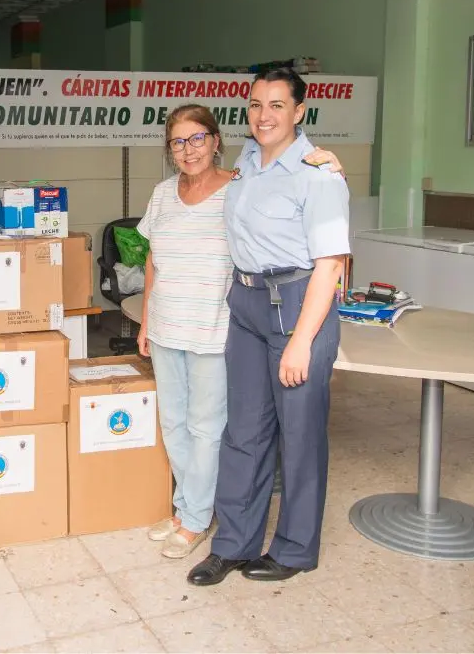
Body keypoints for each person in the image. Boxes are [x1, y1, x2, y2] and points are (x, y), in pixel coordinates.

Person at [137, 104, 345, 560]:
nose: (188, 150)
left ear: (215, 141)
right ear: (169, 149)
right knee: (173, 424)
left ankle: (196, 520)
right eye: (178, 141)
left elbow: (288, 189)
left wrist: (329, 166)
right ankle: (185, 507)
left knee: (206, 428)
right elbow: (153, 258)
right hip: (168, 324)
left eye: (197, 138)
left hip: (214, 327)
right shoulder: (162, 194)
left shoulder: (239, 187)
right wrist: (147, 320)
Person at [187, 67, 350, 587]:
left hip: (300, 303)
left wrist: (301, 342)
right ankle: (233, 545)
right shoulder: (247, 162)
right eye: (256, 104)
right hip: (249, 304)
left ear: (299, 111)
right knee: (244, 431)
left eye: (277, 105)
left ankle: (296, 549)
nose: (264, 115)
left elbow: (331, 263)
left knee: (299, 436)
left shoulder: (318, 175)